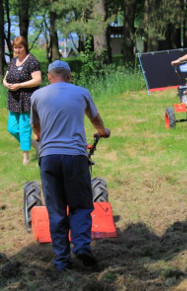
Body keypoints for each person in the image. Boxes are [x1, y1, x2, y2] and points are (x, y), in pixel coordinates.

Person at [31, 60, 111, 271]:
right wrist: (103, 131)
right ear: (69, 76)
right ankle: (82, 246)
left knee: (56, 210)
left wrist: (40, 137)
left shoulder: (37, 96)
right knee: (80, 205)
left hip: (48, 157)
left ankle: (61, 261)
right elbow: (95, 119)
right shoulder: (81, 92)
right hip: (75, 157)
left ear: (49, 77)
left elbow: (36, 128)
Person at [2, 36, 42, 165]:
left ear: (25, 47)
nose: (18, 50)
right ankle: (37, 145)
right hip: (13, 99)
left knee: (24, 128)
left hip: (27, 99)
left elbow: (37, 80)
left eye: (20, 47)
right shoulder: (13, 61)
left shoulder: (32, 61)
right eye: (15, 47)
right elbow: (5, 78)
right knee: (12, 129)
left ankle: (26, 157)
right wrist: (6, 84)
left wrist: (20, 85)